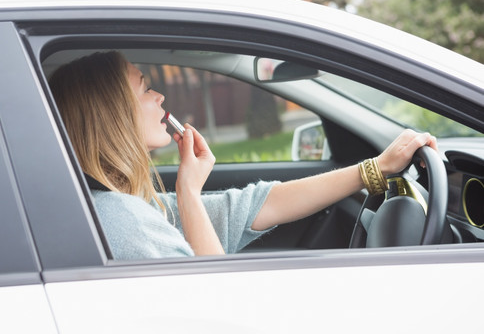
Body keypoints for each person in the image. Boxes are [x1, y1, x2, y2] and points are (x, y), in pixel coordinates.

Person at [49, 51, 438, 260]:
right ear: (113, 114)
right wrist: (188, 189)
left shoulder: (135, 205)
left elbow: (254, 205)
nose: (159, 97)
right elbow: (215, 299)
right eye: (144, 88)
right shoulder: (123, 222)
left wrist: (375, 169)